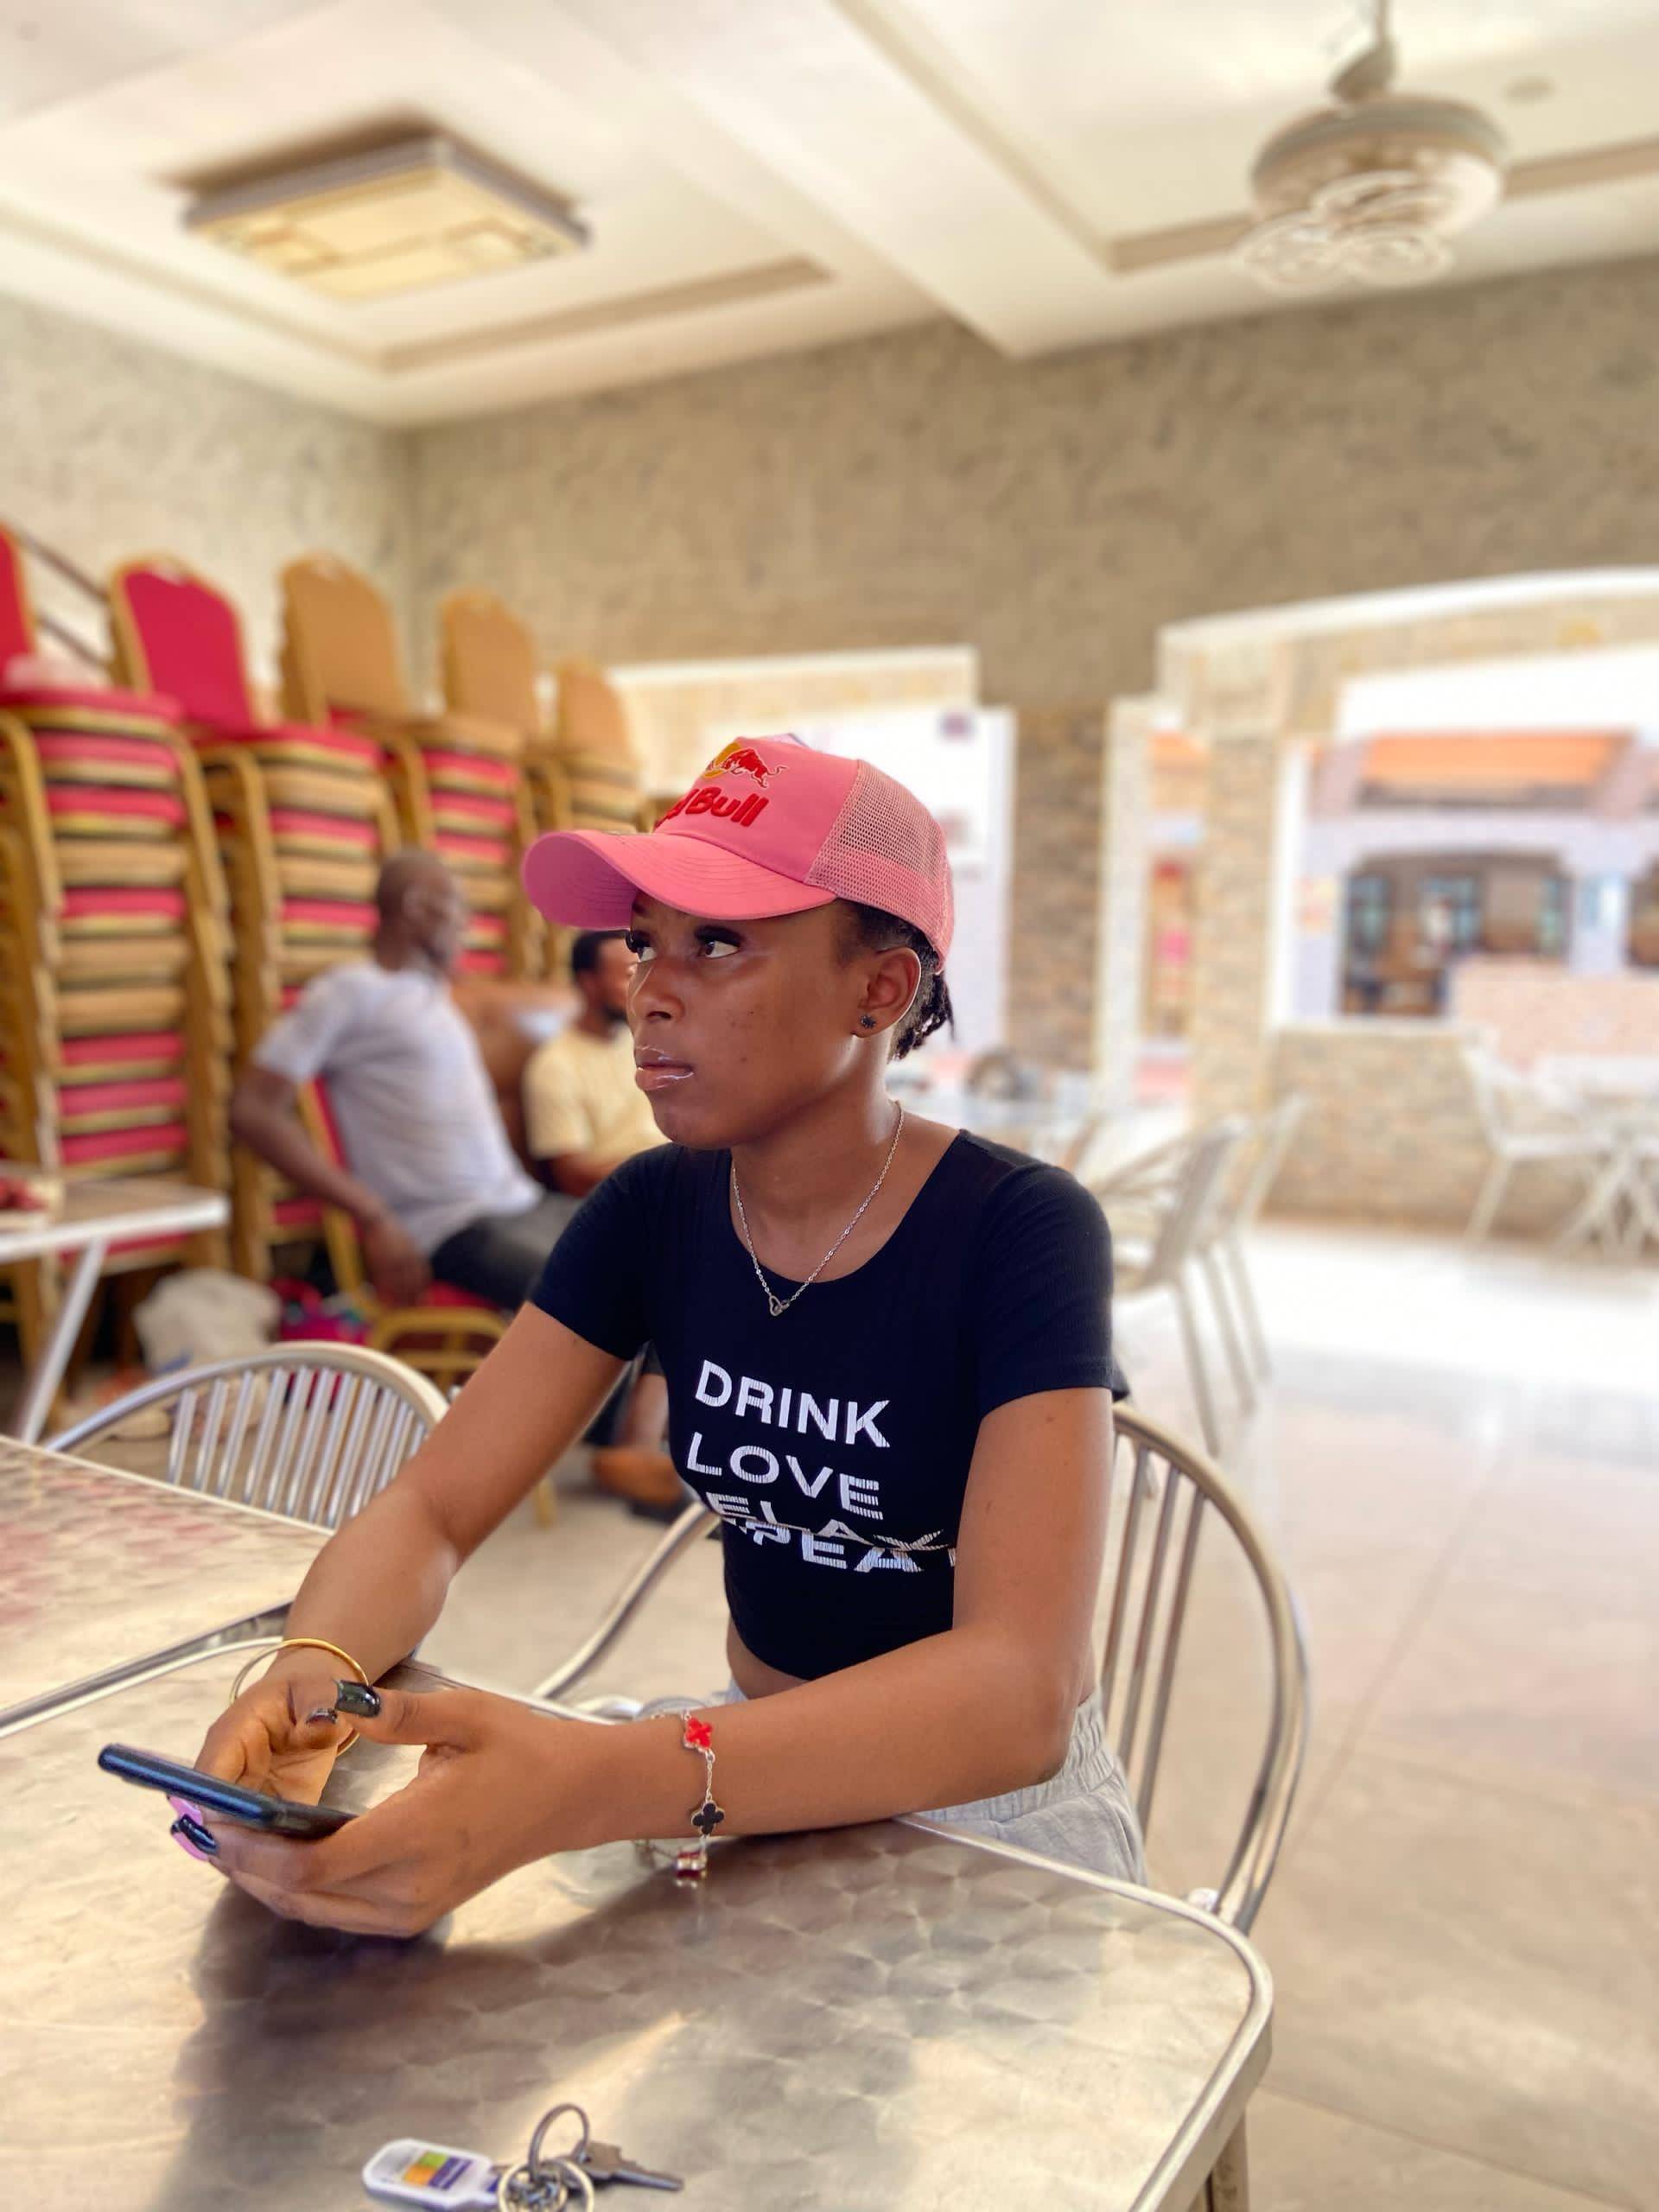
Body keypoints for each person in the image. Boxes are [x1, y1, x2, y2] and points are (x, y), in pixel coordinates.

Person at [188, 735, 1143, 1936]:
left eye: (719, 943)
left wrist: (591, 1781)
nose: (650, 989)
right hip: (741, 1773)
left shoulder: (1020, 1230)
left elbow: (1019, 1693)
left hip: (982, 1815)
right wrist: (313, 1670)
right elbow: (431, 1506)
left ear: (880, 989)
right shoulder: (656, 1208)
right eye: (646, 941)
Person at [230, 852, 569, 1313]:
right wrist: (374, 1217)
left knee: (655, 1250)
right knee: (604, 1299)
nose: (465, 924)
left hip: (522, 1203)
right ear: (415, 907)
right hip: (455, 1228)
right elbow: (252, 1112)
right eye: (456, 907)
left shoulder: (434, 994)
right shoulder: (348, 992)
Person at [523, 931, 665, 1192]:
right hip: (635, 1193)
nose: (642, 988)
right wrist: (667, 1169)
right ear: (589, 984)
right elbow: (572, 1177)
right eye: (629, 975)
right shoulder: (555, 1066)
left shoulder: (644, 1041)